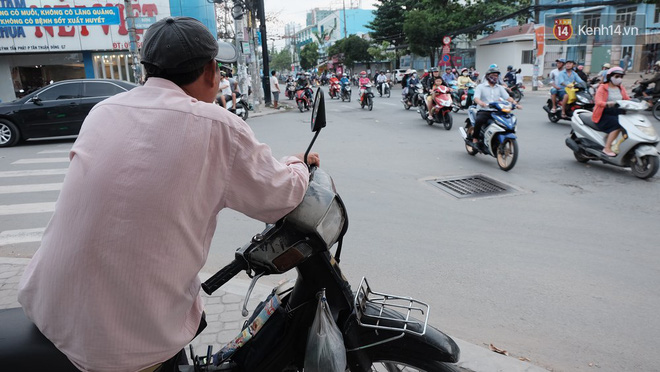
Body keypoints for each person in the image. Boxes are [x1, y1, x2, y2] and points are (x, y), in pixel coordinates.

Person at [17, 16, 319, 372]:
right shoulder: (218, 126)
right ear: (210, 72)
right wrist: (297, 164)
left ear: (147, 69)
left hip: (48, 302)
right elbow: (282, 196)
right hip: (122, 341)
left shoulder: (104, 111)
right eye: (219, 69)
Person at [470, 68, 521, 145]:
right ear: (488, 76)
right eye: (493, 75)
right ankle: (475, 138)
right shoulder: (481, 87)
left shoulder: (499, 87)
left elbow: (507, 97)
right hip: (485, 110)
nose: (495, 77)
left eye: (496, 75)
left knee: (508, 120)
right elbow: (476, 98)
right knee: (479, 120)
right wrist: (481, 103)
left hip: (497, 111)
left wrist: (515, 103)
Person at [592, 67, 630, 157]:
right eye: (617, 76)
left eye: (621, 76)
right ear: (610, 77)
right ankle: (607, 148)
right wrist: (608, 104)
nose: (619, 78)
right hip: (604, 113)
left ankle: (611, 141)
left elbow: (627, 99)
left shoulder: (621, 88)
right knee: (617, 124)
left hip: (618, 112)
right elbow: (598, 102)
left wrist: (637, 102)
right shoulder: (602, 87)